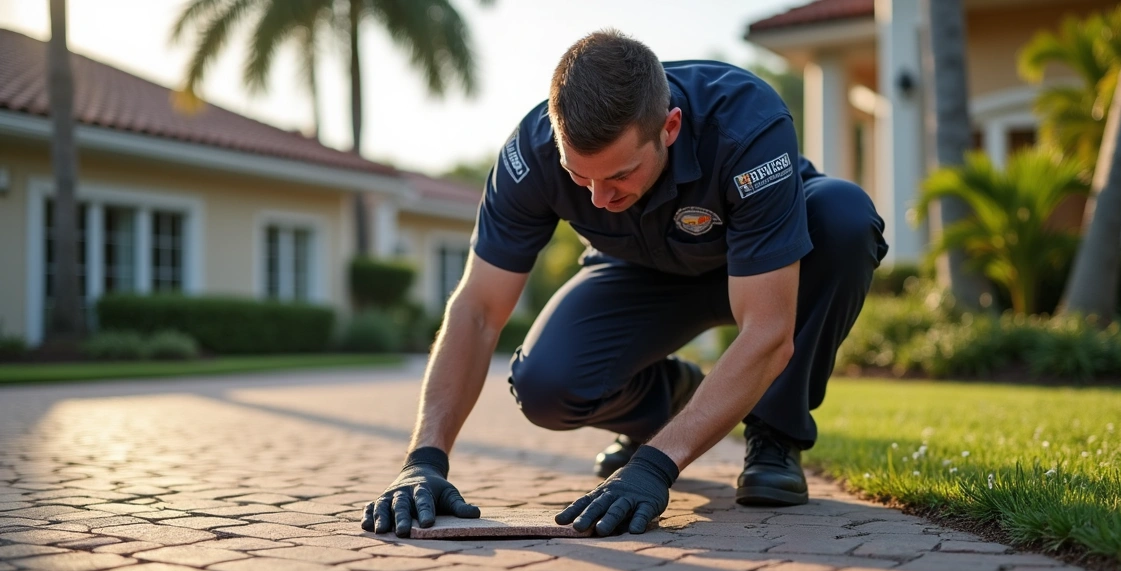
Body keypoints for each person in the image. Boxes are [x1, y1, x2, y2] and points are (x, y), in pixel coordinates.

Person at [362, 29, 887, 538]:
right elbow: (477, 310)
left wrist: (655, 467)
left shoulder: (746, 122)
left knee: (844, 217)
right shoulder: (531, 155)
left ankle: (775, 435)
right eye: (579, 176)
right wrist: (424, 458)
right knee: (545, 386)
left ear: (671, 127)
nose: (597, 199)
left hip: (763, 263)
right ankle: (670, 396)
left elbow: (769, 329)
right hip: (640, 271)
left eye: (619, 175)